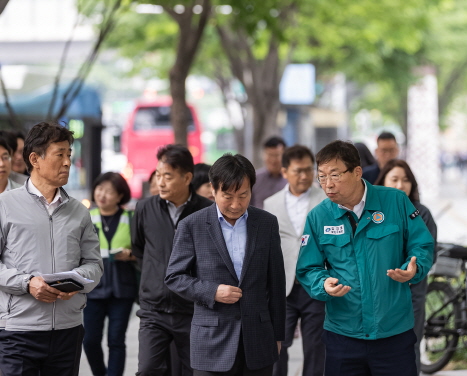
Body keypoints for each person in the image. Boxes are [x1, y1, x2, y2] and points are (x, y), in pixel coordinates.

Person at [296, 140, 434, 376]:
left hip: (393, 333)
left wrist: (415, 267)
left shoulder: (395, 201)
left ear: (357, 172)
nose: (328, 184)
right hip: (343, 336)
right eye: (322, 176)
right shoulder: (318, 217)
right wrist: (322, 283)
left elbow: (421, 244)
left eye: (335, 175)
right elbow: (308, 268)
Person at [165, 153, 286, 376]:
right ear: (213, 189)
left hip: (258, 342)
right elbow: (174, 277)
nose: (235, 204)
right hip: (211, 343)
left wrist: (278, 335)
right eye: (227, 196)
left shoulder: (266, 223)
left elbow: (276, 283)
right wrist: (212, 291)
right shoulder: (192, 225)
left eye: (243, 195)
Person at [0, 121, 103, 375]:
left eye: (69, 155)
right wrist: (27, 282)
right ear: (35, 159)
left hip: (68, 330)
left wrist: (78, 281)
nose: (67, 162)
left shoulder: (79, 211)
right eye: (60, 155)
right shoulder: (5, 205)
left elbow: (95, 265)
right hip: (18, 331)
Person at [131, 144, 213, 376]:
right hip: (153, 310)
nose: (160, 182)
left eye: (168, 176)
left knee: (195, 371)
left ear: (187, 177)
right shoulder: (144, 208)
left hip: (192, 309)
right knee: (148, 370)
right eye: (158, 175)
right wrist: (154, 278)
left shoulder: (206, 212)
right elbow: (139, 249)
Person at [264, 145, 327, 376]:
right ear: (285, 172)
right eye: (298, 171)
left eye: (309, 170)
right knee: (277, 345)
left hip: (315, 284)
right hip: (283, 286)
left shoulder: (326, 199)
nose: (304, 176)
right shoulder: (271, 204)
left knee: (315, 347)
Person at [374, 159, 437, 375]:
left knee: (409, 348)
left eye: (406, 180)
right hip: (379, 294)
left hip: (411, 294)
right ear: (382, 182)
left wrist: (412, 269)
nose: (401, 185)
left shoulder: (422, 213)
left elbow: (427, 252)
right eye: (395, 179)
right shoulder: (372, 213)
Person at [84, 172, 138, 376]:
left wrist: (131, 254)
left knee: (116, 340)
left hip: (122, 288)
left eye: (109, 191)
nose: (102, 195)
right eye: (100, 189)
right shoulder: (86, 217)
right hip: (93, 288)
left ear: (120, 195)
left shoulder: (131, 218)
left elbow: (143, 250)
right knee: (89, 340)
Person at [250, 136, 287, 209]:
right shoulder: (254, 179)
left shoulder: (291, 179)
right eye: (270, 155)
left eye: (277, 155)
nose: (273, 160)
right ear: (263, 155)